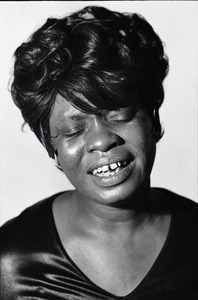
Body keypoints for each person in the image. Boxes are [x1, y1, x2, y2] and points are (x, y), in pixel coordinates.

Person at [0, 5, 197, 300]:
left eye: (120, 114)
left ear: (153, 118)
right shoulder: (11, 261)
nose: (102, 141)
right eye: (74, 131)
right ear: (50, 147)